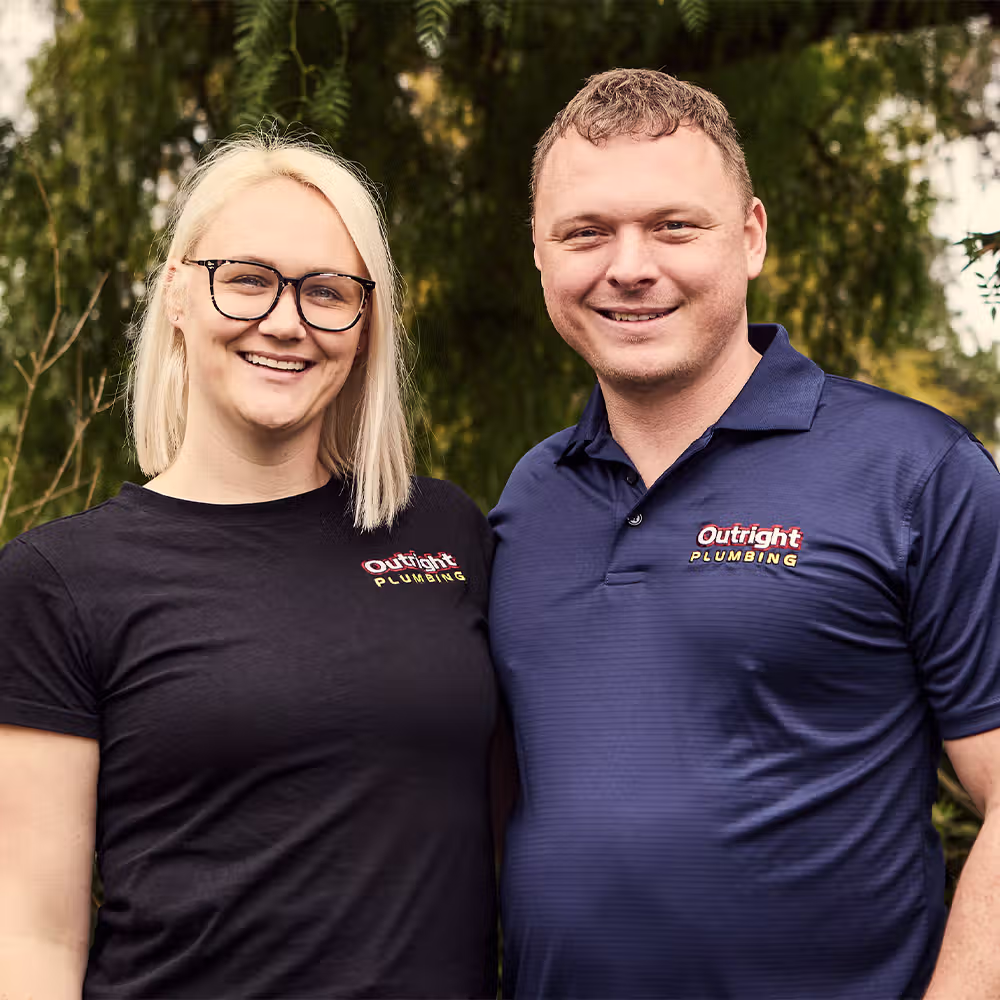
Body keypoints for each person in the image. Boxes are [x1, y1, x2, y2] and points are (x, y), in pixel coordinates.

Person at [489, 68, 1000, 1000]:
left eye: (674, 227)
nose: (630, 265)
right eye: (586, 233)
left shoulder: (915, 470)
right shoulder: (530, 497)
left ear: (753, 236)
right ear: (538, 253)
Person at [0, 134, 499, 999]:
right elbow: (32, 935)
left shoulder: (449, 533)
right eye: (247, 279)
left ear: (367, 323)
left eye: (327, 292)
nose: (285, 321)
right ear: (179, 296)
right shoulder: (57, 581)